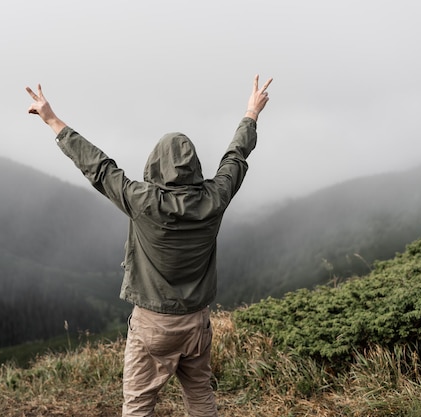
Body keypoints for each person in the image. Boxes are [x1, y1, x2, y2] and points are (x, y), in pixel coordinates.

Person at [26, 74, 272, 417]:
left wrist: (52, 120)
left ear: (155, 162)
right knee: (200, 396)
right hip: (196, 322)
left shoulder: (142, 200)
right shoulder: (215, 198)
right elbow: (236, 157)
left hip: (152, 323)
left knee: (139, 405)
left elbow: (98, 167)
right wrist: (251, 113)